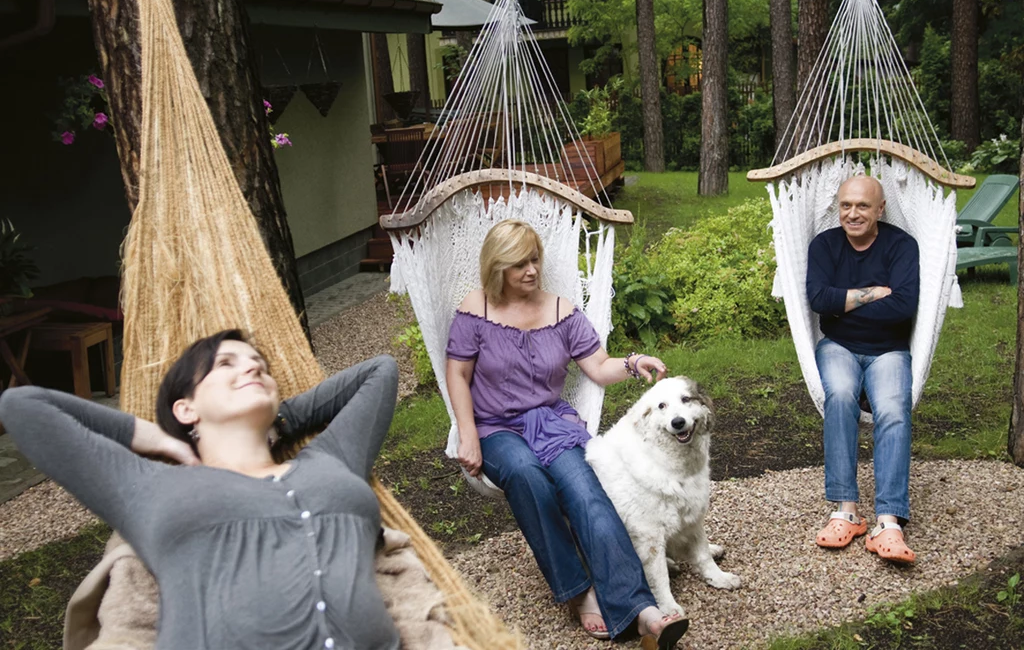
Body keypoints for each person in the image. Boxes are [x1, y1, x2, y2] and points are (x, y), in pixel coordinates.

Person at [0, 329, 401, 649]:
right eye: (225, 363)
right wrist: (158, 439)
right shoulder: (150, 486)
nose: (253, 369)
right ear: (185, 408)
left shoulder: (331, 462)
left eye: (260, 366)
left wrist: (278, 417)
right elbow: (23, 406)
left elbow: (380, 372)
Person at [446, 219, 687, 648]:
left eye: (535, 259)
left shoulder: (560, 310)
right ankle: (580, 591)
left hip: (551, 423)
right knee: (525, 476)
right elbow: (458, 374)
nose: (531, 270)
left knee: (585, 492)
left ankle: (642, 610)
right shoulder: (475, 309)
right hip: (496, 427)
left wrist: (633, 363)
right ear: (497, 266)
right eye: (519, 263)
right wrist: (467, 434)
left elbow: (597, 365)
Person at [806, 175, 920, 564]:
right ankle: (847, 511)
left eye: (862, 206)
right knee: (839, 397)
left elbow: (904, 306)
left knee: (893, 411)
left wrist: (845, 302)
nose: (852, 214)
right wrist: (874, 294)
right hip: (838, 346)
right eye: (845, 206)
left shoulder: (902, 246)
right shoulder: (824, 245)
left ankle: (888, 521)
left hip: (889, 349)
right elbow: (819, 299)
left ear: (880, 209)